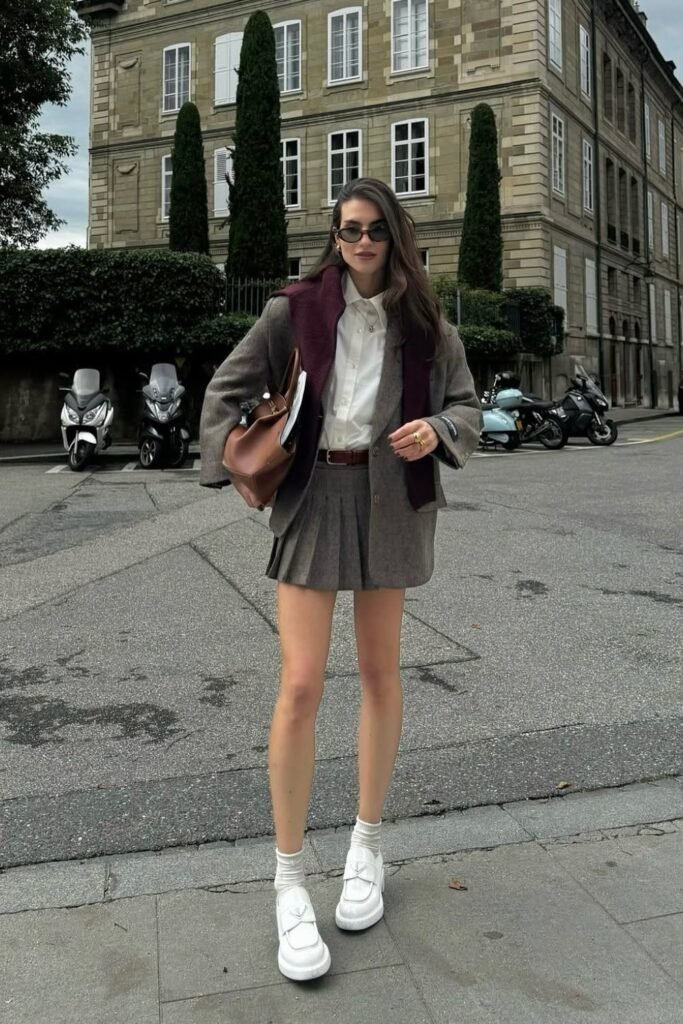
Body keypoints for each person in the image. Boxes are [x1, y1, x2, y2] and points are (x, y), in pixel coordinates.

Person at [199, 177, 482, 982]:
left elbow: (467, 405)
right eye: (347, 230)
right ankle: (288, 877)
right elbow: (224, 389)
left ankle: (366, 844)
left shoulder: (425, 322)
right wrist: (238, 460)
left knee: (380, 674)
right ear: (335, 236)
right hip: (315, 493)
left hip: (391, 497)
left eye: (373, 231)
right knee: (299, 687)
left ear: (395, 237)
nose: (359, 242)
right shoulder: (293, 308)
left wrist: (438, 428)